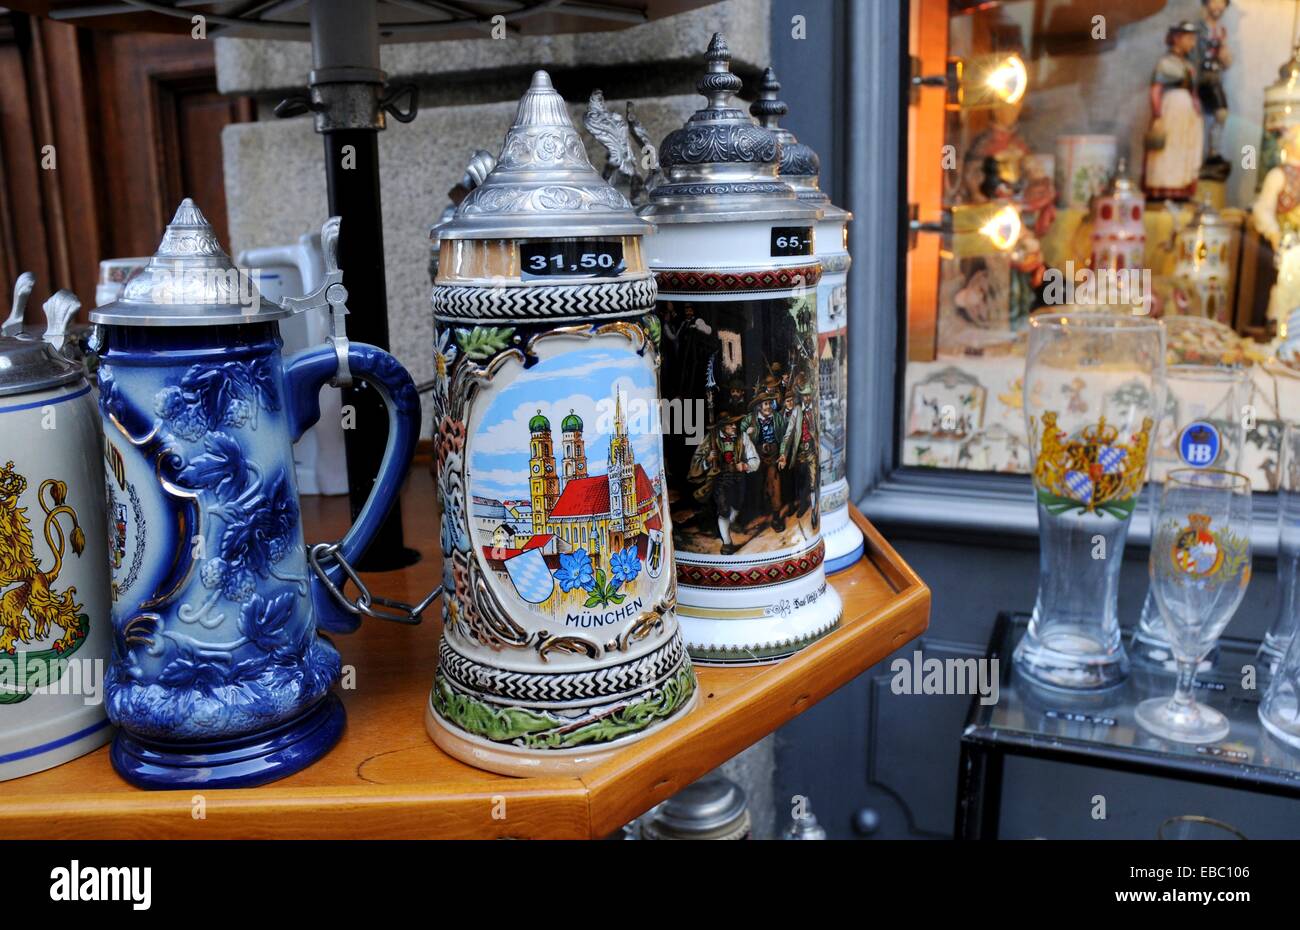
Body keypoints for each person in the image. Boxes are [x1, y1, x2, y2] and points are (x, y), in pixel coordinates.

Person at [1144, 22, 1204, 201]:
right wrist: (1157, 115)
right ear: (1177, 39)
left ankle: (1181, 187)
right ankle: (1163, 186)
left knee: (1184, 147)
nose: (1192, 43)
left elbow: (1193, 91)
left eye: (1193, 39)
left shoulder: (1188, 65)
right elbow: (1155, 90)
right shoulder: (1166, 63)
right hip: (1171, 109)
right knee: (1168, 147)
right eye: (1189, 39)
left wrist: (1196, 106)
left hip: (1186, 112)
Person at [689, 413, 759, 554]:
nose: (734, 426)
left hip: (738, 477)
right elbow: (695, 464)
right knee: (724, 509)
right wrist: (708, 459)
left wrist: (745, 466)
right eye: (730, 424)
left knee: (737, 505)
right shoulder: (711, 439)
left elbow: (755, 460)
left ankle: (729, 524)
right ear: (722, 426)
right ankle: (727, 543)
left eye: (735, 423)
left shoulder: (742, 437)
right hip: (720, 478)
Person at [1195, 0, 1232, 180]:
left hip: (1215, 77)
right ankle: (1200, 157)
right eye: (1214, 1)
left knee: (1221, 114)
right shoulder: (1199, 28)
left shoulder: (1221, 31)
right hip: (1201, 77)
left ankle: (1213, 153)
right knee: (1200, 117)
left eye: (1222, 2)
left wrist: (1225, 54)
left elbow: (1227, 61)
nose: (1218, 6)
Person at [744, 393, 788, 533]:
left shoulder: (777, 418)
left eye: (770, 403)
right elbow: (739, 432)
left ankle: (776, 517)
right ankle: (757, 516)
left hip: (773, 456)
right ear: (759, 407)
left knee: (774, 484)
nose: (768, 407)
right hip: (756, 456)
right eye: (765, 404)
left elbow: (785, 437)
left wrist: (782, 453)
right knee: (757, 484)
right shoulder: (750, 419)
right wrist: (746, 433)